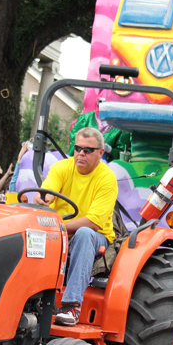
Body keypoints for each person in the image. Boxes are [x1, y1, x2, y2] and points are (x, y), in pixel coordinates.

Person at [34, 127, 118, 326]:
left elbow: (93, 222)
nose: (81, 153)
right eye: (78, 148)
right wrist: (42, 196)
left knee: (83, 233)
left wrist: (56, 225)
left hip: (94, 237)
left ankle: (72, 305)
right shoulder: (62, 168)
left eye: (88, 150)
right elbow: (48, 189)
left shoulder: (106, 178)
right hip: (58, 232)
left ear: (100, 152)